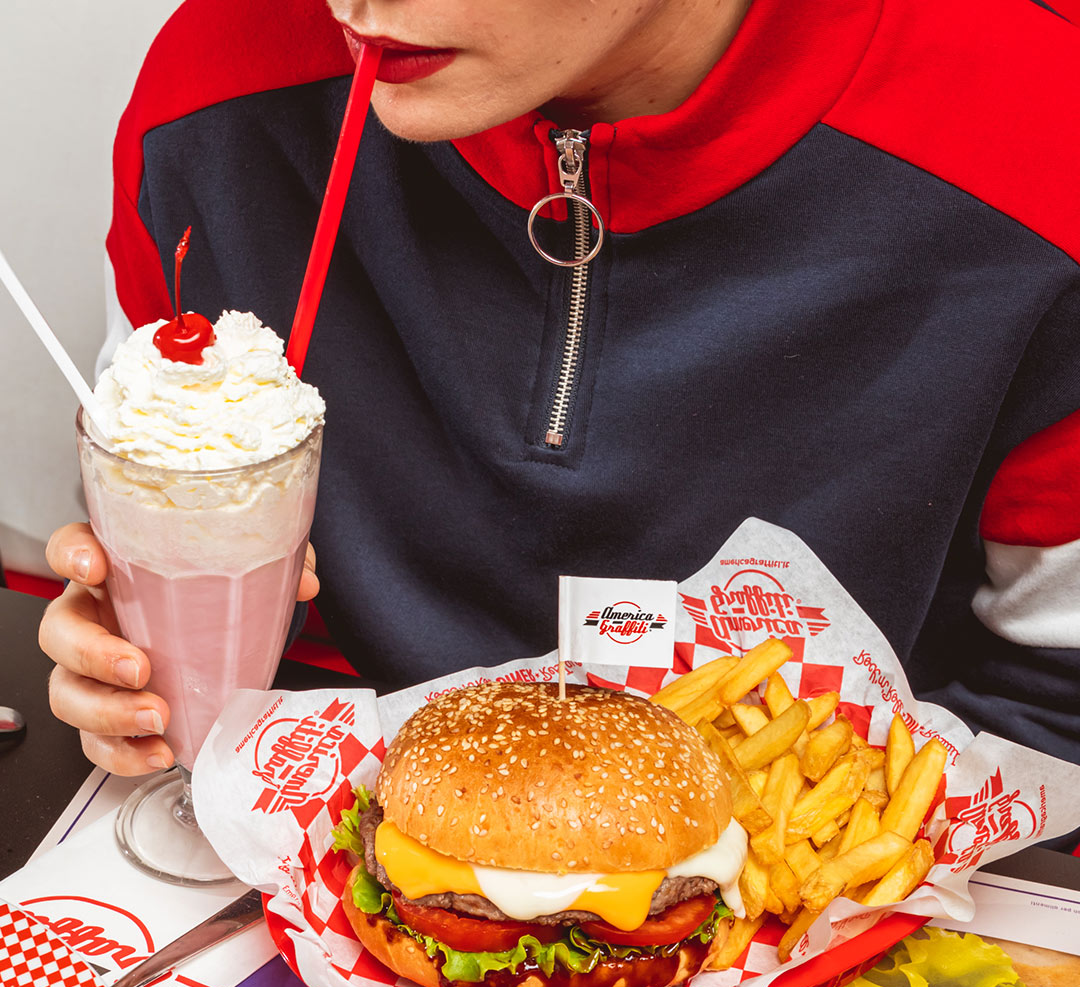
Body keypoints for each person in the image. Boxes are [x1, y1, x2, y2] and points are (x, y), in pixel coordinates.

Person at [39, 0, 1080, 790]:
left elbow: (1057, 715)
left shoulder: (1039, 137)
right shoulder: (216, 94)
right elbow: (194, 567)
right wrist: (142, 673)